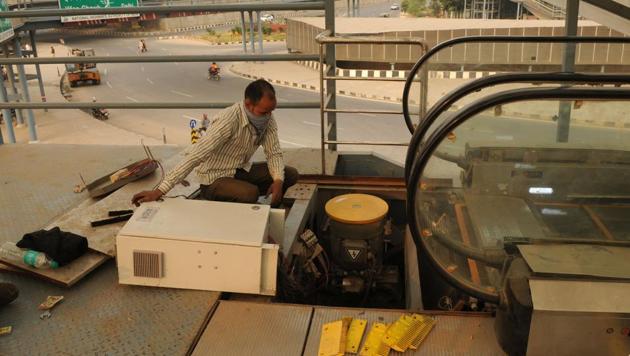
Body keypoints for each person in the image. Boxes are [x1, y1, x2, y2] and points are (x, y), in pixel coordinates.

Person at [132, 79, 298, 208]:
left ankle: (266, 200)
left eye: (271, 111)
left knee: (288, 174)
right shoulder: (228, 120)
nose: (268, 116)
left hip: (239, 170)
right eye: (264, 112)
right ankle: (235, 206)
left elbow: (273, 152)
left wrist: (277, 181)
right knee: (250, 194)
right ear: (248, 104)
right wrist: (159, 191)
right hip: (213, 178)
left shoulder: (267, 119)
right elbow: (195, 156)